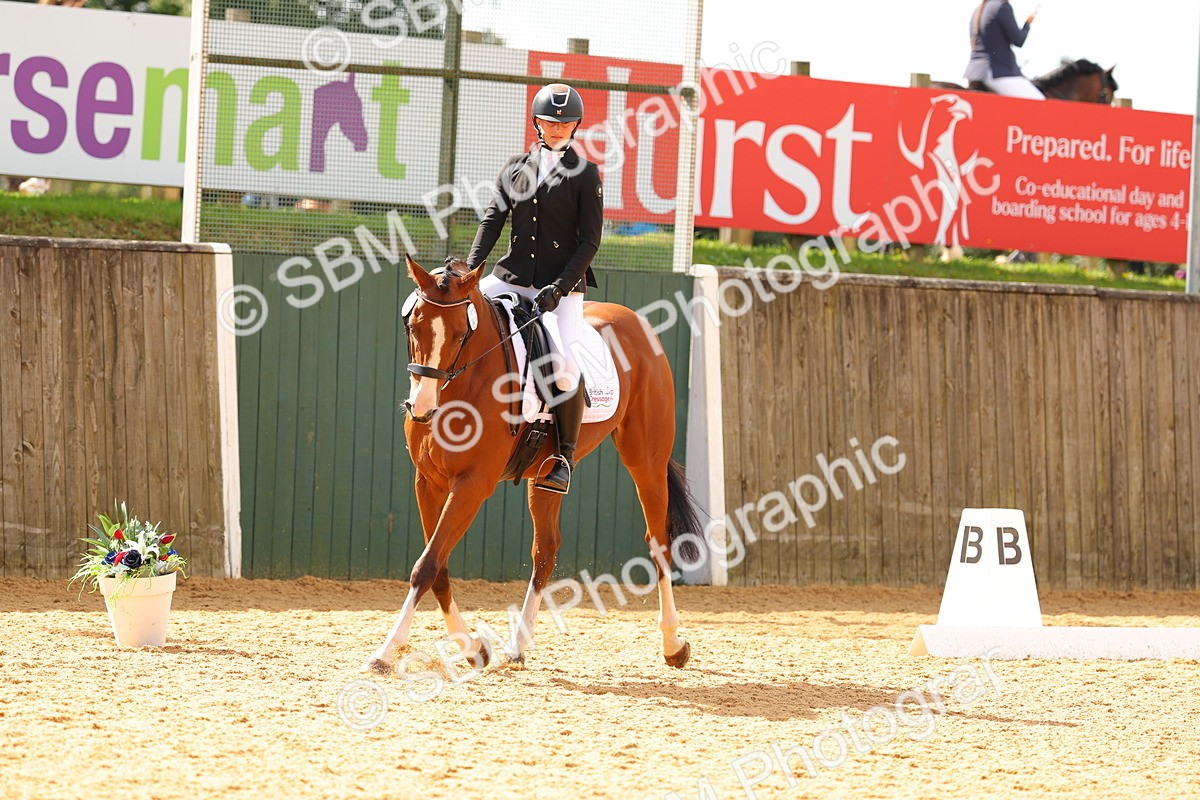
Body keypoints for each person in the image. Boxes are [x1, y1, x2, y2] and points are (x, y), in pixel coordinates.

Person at [465, 83, 603, 495]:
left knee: (563, 367)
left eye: (565, 122)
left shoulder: (585, 172)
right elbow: (492, 222)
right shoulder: (514, 168)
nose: (557, 128)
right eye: (549, 120)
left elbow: (590, 241)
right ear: (536, 122)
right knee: (462, 316)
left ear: (576, 125)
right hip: (511, 277)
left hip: (561, 289)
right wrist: (471, 273)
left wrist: (560, 287)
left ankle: (563, 457)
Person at [964, 0, 1045, 100]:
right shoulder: (1002, 6)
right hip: (996, 72)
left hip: (974, 72)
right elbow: (1018, 40)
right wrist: (1027, 24)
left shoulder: (978, 10)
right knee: (1039, 102)